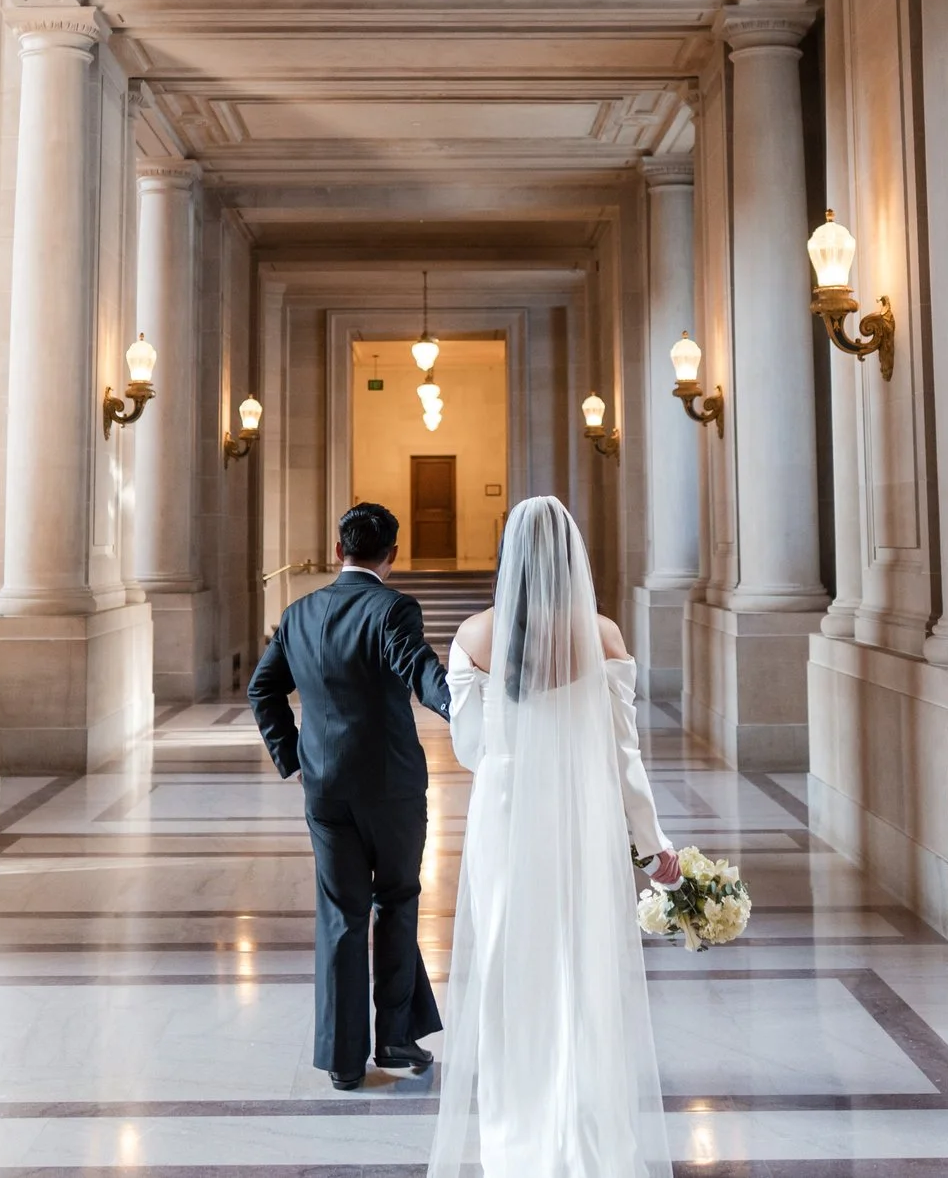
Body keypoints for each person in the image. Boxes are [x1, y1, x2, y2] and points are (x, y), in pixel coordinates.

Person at [430, 495, 681, 1178]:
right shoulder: (602, 635)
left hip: (506, 822)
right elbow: (624, 756)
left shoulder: (475, 636)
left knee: (510, 970)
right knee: (582, 968)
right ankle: (583, 1131)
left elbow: (471, 750)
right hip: (582, 820)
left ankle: (517, 1134)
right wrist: (652, 843)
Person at [248, 501, 452, 1091]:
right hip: (391, 788)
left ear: (339, 550)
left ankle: (342, 1059)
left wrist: (293, 759)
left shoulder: (298, 612)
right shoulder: (393, 608)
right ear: (394, 555)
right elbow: (421, 673)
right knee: (397, 900)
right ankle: (394, 1037)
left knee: (341, 915)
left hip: (325, 788)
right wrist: (467, 709)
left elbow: (263, 690)